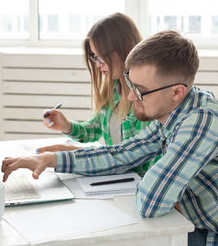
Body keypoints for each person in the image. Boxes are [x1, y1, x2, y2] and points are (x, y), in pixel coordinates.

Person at [2, 30, 218, 245]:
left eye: (139, 90)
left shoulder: (202, 123)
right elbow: (122, 154)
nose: (129, 96)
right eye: (130, 82)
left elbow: (151, 202)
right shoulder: (177, 110)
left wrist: (159, 183)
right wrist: (49, 159)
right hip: (215, 223)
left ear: (177, 91)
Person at [37, 12, 160, 175]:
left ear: (124, 50)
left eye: (101, 57)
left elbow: (132, 158)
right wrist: (67, 126)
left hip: (137, 183)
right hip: (116, 179)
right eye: (94, 58)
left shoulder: (149, 98)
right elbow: (96, 128)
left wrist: (71, 153)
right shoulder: (112, 88)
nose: (97, 65)